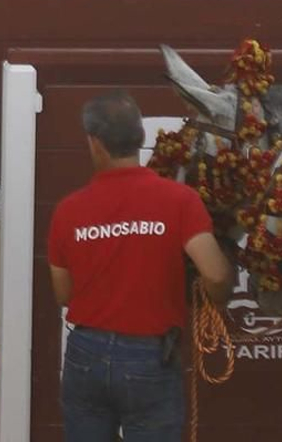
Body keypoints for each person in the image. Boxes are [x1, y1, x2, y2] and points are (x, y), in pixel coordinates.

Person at [48, 90, 229, 442]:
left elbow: (63, 293)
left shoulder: (68, 211)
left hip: (87, 351)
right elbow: (217, 274)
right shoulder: (180, 200)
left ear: (94, 142)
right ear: (141, 138)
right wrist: (213, 295)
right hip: (150, 354)